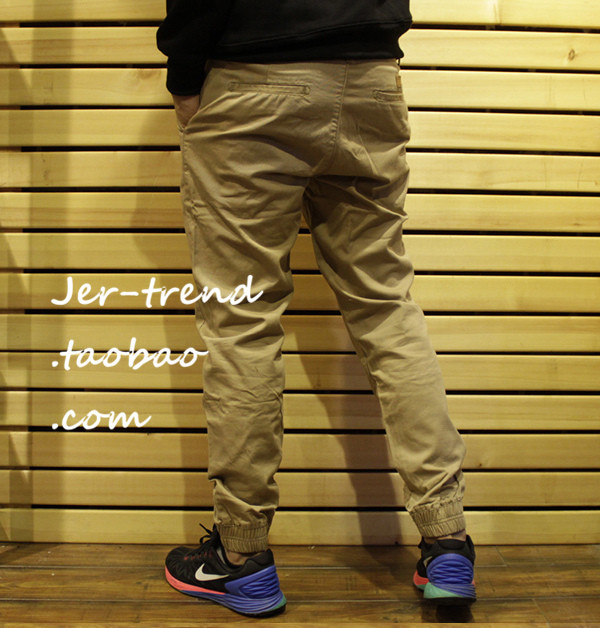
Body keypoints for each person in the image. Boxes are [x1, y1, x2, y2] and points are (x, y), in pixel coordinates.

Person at [156, 0, 476, 617]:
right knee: (387, 309)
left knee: (242, 320)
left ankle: (242, 557)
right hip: (371, 80)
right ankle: (448, 542)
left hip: (252, 78)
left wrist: (185, 77)